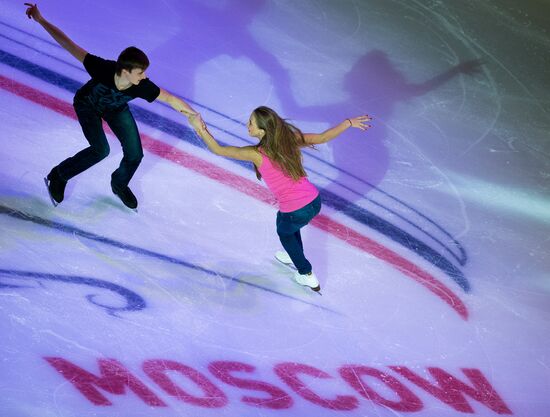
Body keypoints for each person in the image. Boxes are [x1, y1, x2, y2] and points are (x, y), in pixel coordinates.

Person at [25, 3, 198, 209]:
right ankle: (59, 175)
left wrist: (193, 114)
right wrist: (41, 19)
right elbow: (67, 44)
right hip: (87, 104)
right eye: (140, 72)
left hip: (115, 108)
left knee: (135, 154)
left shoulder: (141, 86)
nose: (145, 76)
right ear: (125, 71)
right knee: (100, 150)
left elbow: (169, 99)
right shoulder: (101, 68)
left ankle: (119, 183)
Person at [188, 107, 371, 291]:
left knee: (285, 232)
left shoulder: (256, 154)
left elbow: (219, 150)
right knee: (283, 221)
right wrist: (348, 123)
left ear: (262, 131)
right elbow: (323, 137)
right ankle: (293, 254)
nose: (248, 125)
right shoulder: (289, 140)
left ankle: (306, 273)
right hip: (314, 200)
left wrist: (200, 128)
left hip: (297, 208)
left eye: (251, 122)